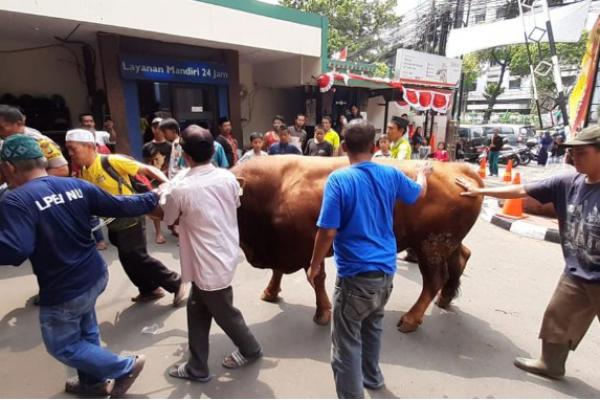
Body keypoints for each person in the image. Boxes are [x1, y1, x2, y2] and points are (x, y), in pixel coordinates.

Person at [0, 134, 151, 397]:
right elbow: (121, 204)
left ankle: (125, 367)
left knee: (63, 345)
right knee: (86, 331)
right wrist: (155, 197)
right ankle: (93, 383)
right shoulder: (75, 185)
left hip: (64, 289)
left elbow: (15, 249)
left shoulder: (16, 201)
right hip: (94, 275)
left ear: (10, 167)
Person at [456, 124, 600, 381]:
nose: (573, 157)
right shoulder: (569, 182)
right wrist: (480, 191)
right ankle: (550, 364)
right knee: (557, 316)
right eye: (572, 151)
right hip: (577, 271)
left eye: (582, 152)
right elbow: (521, 190)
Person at [306, 120, 431, 399]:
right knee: (372, 326)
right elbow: (418, 192)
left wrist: (315, 264)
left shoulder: (339, 179)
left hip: (356, 278)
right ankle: (372, 378)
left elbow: (327, 230)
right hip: (386, 274)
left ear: (344, 147)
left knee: (345, 345)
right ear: (375, 147)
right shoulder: (390, 174)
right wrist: (423, 173)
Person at [162, 125, 262, 382]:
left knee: (224, 312)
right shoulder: (227, 177)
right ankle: (197, 365)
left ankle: (250, 349)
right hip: (223, 253)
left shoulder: (180, 188)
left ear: (185, 156)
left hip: (208, 262)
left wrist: (170, 189)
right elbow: (234, 203)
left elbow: (169, 217)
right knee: (196, 307)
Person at [65, 129, 186, 305]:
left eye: (72, 148)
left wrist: (167, 185)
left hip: (131, 216)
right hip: (112, 221)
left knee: (136, 256)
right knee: (127, 259)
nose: (70, 154)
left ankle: (176, 283)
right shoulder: (84, 171)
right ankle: (149, 289)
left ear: (90, 146)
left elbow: (148, 169)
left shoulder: (111, 161)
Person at [0, 105, 69, 178]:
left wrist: (29, 184)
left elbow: (61, 170)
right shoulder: (3, 140)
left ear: (19, 124)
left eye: (1, 127)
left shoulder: (39, 141)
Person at [142, 117, 172, 244]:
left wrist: (166, 173)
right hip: (153, 180)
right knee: (155, 204)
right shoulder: (147, 147)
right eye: (156, 127)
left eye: (162, 128)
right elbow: (146, 164)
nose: (159, 130)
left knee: (173, 202)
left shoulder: (171, 146)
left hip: (169, 179)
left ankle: (173, 226)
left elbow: (174, 162)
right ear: (153, 129)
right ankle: (159, 233)